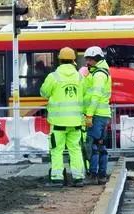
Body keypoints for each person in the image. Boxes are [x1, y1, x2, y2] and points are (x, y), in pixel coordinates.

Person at [40, 47, 85, 187]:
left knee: (57, 150)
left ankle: (57, 178)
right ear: (73, 60)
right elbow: (84, 95)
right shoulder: (79, 77)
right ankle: (79, 178)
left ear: (59, 60)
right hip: (76, 122)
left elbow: (44, 93)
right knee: (75, 149)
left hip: (58, 123)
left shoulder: (53, 77)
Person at [83, 46, 112, 185]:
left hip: (97, 115)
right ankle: (102, 175)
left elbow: (96, 96)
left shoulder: (99, 75)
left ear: (97, 59)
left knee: (93, 145)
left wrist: (89, 114)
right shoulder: (100, 72)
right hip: (103, 114)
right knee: (101, 145)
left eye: (89, 59)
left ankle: (94, 175)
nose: (88, 62)